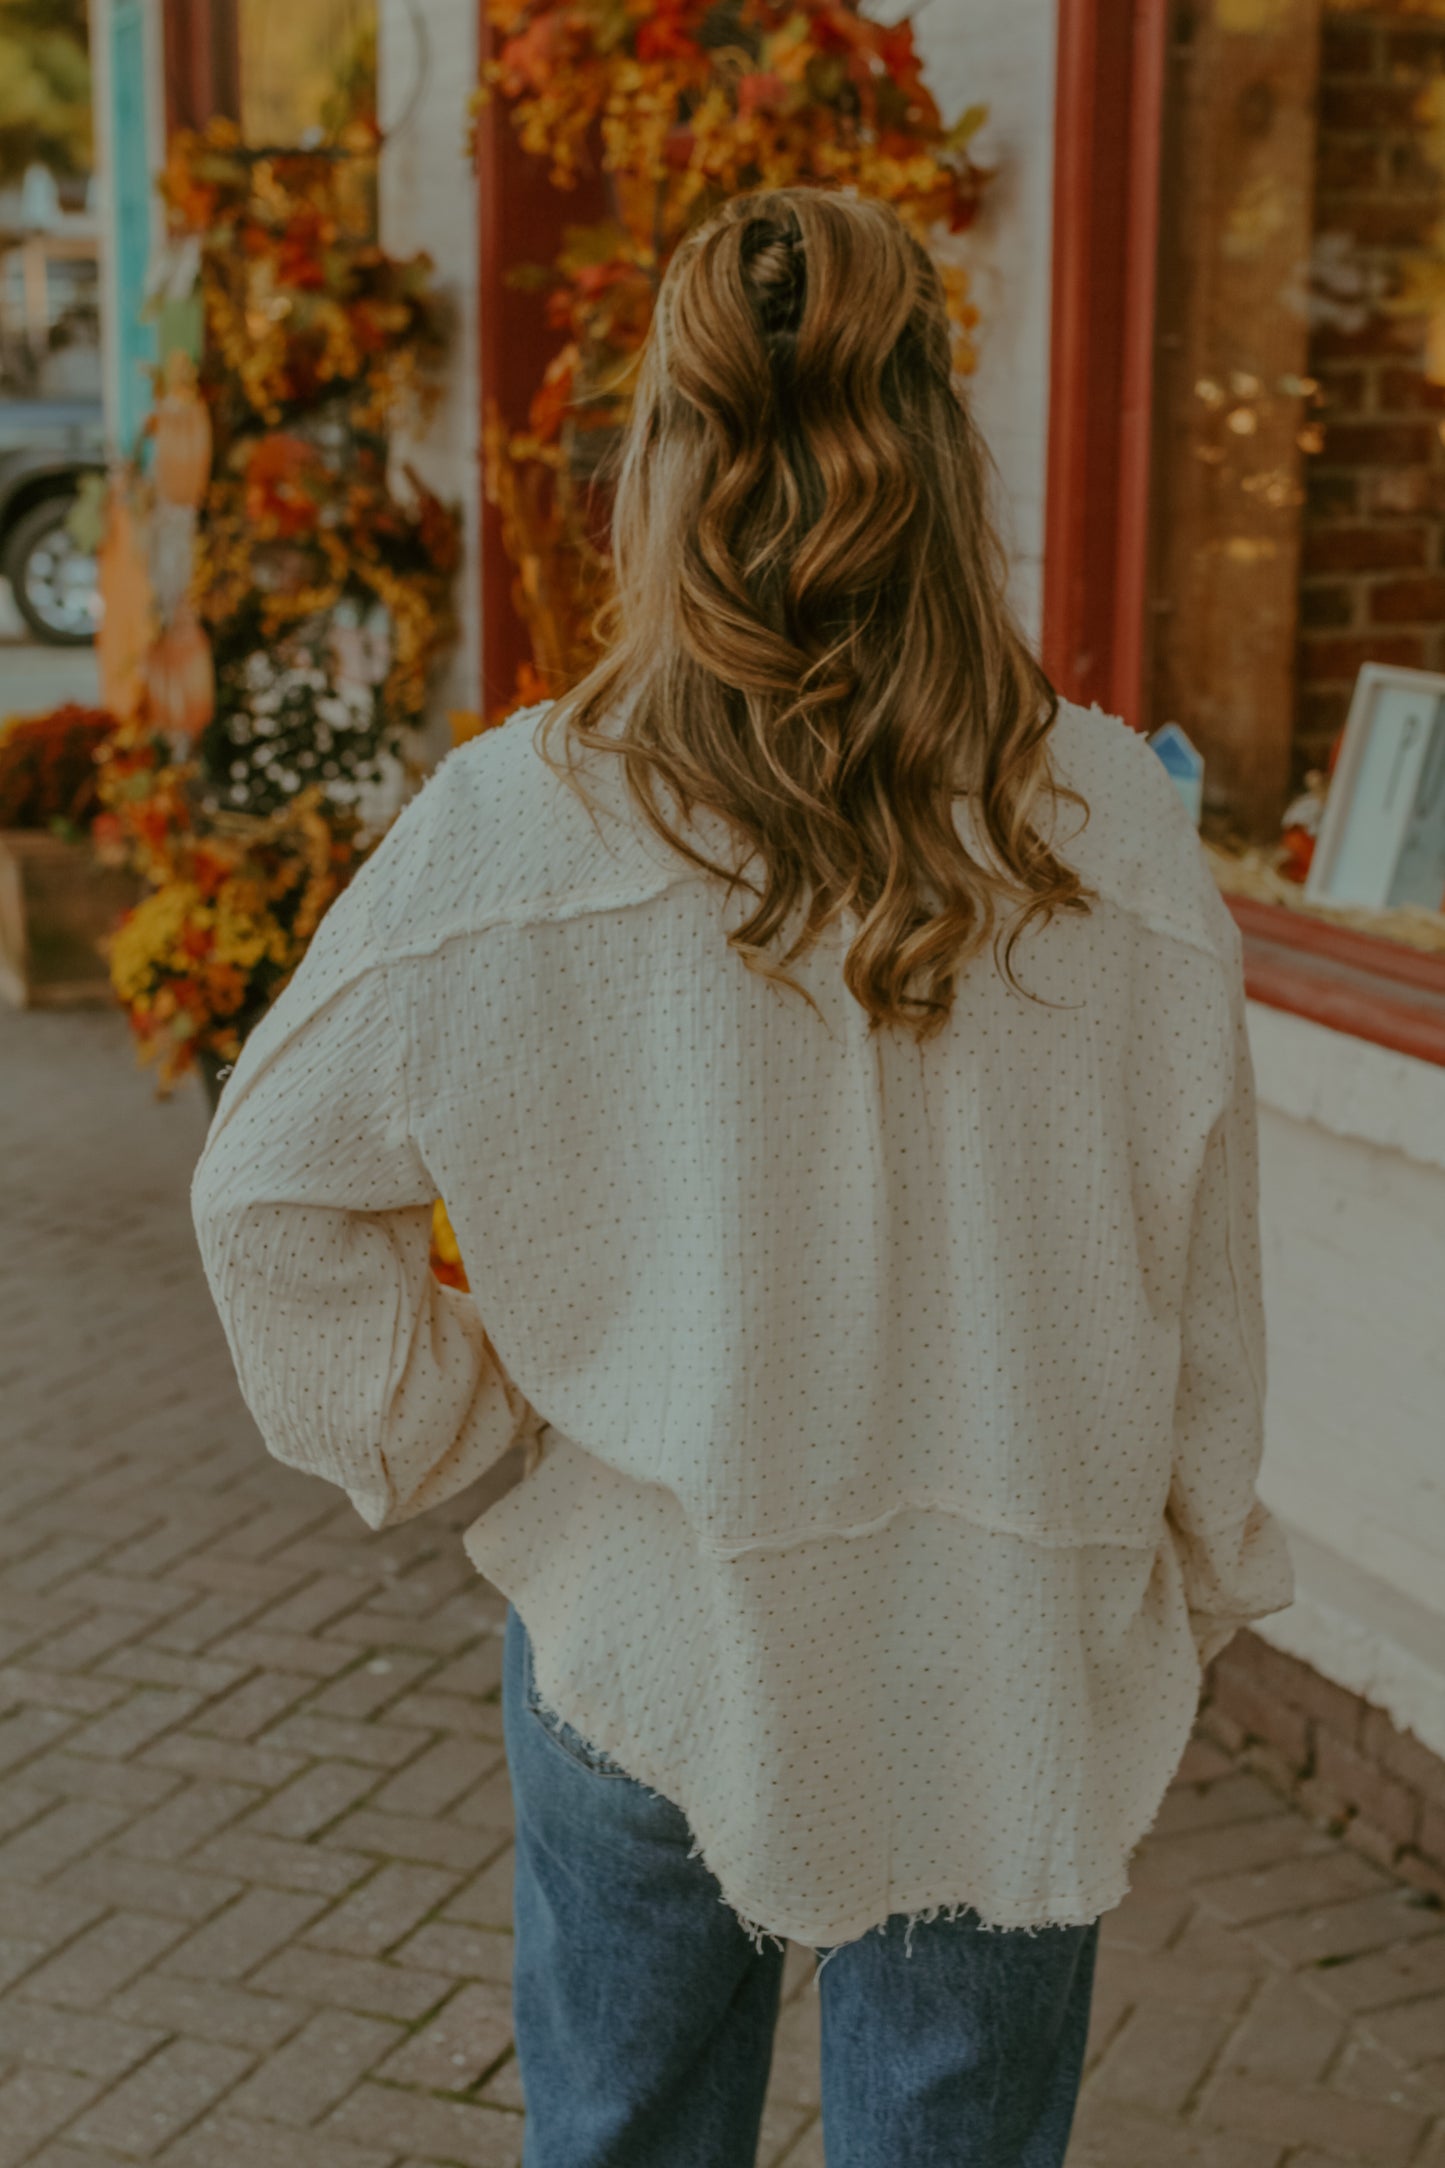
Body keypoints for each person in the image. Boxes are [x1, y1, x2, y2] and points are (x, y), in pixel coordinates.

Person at [191, 185, 1295, 2168]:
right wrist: (1194, 1565)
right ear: (948, 453)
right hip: (1008, 1642)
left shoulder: (523, 825)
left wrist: (472, 1425)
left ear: (662, 460)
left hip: (659, 1617)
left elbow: (265, 1190)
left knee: (622, 2142)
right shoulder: (1112, 825)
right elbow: (1198, 1277)